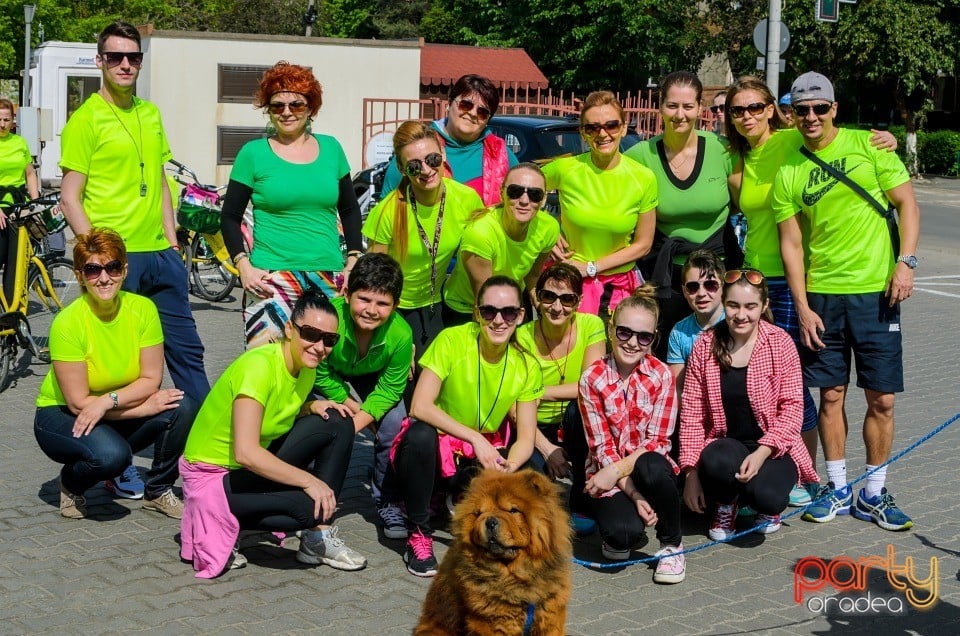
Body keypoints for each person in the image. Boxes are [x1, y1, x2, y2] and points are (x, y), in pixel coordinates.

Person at [723, 76, 898, 507]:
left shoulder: (792, 139)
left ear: (771, 109)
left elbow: (832, 131)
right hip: (755, 281)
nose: (747, 116)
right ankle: (776, 465)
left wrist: (886, 138)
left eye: (755, 107)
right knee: (758, 379)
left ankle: (808, 474)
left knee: (797, 381)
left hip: (796, 280)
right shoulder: (734, 164)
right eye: (737, 110)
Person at [773, 72, 920, 531]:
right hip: (823, 297)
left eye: (820, 108)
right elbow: (791, 245)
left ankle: (873, 493)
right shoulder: (789, 170)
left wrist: (906, 262)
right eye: (802, 110)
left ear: (835, 108)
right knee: (830, 395)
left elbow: (907, 206)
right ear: (792, 115)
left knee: (883, 400)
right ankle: (837, 489)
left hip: (877, 294)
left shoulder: (870, 147)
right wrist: (801, 305)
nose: (811, 117)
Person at [59, 21, 209, 406]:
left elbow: (159, 182)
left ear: (141, 62)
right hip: (116, 259)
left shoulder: (151, 114)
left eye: (133, 57)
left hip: (161, 254)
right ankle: (113, 451)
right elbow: (70, 198)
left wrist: (173, 243)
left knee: (188, 354)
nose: (125, 64)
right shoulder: (86, 119)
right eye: (115, 57)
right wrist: (97, 257)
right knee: (121, 363)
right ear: (100, 61)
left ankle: (206, 448)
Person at [180, 291, 366, 578]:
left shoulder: (306, 369)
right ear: (290, 329)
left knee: (337, 421)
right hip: (213, 476)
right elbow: (246, 452)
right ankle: (229, 522)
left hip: (245, 468)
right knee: (308, 509)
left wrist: (310, 406)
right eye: (311, 334)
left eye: (329, 340)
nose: (319, 346)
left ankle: (316, 540)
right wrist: (309, 481)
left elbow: (276, 409)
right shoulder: (258, 367)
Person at [33, 228, 198, 520]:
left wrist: (108, 401)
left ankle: (158, 490)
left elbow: (150, 379)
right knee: (111, 456)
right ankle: (71, 483)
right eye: (93, 269)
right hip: (62, 414)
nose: (104, 277)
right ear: (80, 274)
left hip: (111, 404)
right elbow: (77, 403)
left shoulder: (143, 309)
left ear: (124, 269)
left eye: (112, 267)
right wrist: (143, 408)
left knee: (183, 406)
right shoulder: (67, 323)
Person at [392, 276, 543, 577]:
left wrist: (509, 465)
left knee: (533, 468)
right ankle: (419, 532)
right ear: (476, 312)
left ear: (521, 315)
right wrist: (474, 438)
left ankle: (471, 512)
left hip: (480, 453)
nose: (498, 320)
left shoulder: (527, 364)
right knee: (419, 435)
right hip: (440, 444)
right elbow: (420, 406)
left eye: (508, 312)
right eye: (489, 311)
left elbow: (526, 437)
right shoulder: (452, 340)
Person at [220, 61, 364, 348]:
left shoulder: (332, 149)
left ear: (310, 107)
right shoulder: (253, 154)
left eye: (296, 105)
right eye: (277, 106)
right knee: (267, 367)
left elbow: (349, 209)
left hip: (328, 277)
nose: (287, 112)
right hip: (271, 279)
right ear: (268, 110)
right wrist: (243, 266)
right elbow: (229, 217)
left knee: (322, 369)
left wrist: (353, 260)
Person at [680, 269, 818, 541]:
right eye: (733, 305)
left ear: (764, 305)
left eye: (750, 306)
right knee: (717, 460)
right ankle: (726, 504)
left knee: (766, 497)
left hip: (773, 448)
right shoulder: (705, 345)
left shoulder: (780, 342)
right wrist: (690, 474)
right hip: (725, 443)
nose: (741, 315)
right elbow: (692, 415)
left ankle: (762, 505)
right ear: (723, 303)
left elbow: (792, 409)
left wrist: (762, 452)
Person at [625, 72, 738, 358]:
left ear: (700, 108)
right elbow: (605, 193)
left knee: (722, 356)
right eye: (672, 105)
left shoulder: (723, 151)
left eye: (688, 106)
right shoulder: (639, 156)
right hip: (665, 278)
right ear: (660, 106)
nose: (680, 114)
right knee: (667, 359)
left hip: (718, 274)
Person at [578, 284, 684, 584]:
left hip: (645, 470)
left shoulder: (662, 375)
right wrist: (633, 494)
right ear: (611, 330)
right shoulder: (592, 379)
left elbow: (659, 442)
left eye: (643, 336)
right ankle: (623, 525)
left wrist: (615, 471)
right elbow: (601, 448)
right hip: (610, 474)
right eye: (624, 332)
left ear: (653, 340)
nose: (632, 343)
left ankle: (672, 544)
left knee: (651, 462)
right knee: (622, 537)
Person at [312, 253, 414, 540]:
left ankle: (387, 500)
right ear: (346, 294)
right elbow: (318, 371)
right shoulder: (329, 319)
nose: (371, 310)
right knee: (323, 420)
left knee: (394, 425)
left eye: (382, 303)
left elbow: (391, 389)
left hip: (374, 372)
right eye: (364, 299)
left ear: (395, 306)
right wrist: (352, 406)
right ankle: (309, 491)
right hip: (329, 372)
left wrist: (358, 423)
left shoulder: (401, 334)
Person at [363, 121, 484, 359]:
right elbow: (374, 281)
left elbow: (489, 239)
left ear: (443, 154)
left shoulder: (467, 198)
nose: (427, 171)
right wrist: (392, 333)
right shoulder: (388, 211)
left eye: (432, 160)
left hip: (440, 302)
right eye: (414, 166)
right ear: (401, 168)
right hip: (397, 308)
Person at [544, 90, 657, 320]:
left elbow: (643, 245)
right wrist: (546, 226)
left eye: (611, 125)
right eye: (592, 128)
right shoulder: (566, 169)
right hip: (566, 286)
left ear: (624, 128)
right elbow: (515, 188)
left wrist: (592, 267)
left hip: (615, 290)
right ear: (583, 133)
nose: (602, 134)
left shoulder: (643, 178)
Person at [515, 263, 606, 533]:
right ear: (537, 298)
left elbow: (591, 385)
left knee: (579, 410)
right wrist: (547, 449)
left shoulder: (591, 325)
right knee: (535, 495)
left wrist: (540, 392)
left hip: (576, 423)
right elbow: (513, 402)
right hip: (533, 427)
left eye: (567, 299)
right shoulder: (521, 336)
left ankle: (581, 493)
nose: (557, 306)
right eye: (548, 296)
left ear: (578, 302)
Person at [443, 162, 559, 324]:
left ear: (544, 198)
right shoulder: (480, 233)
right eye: (515, 192)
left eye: (535, 194)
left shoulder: (548, 227)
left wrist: (542, 304)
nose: (524, 200)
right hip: (468, 307)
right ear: (502, 192)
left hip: (512, 302)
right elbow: (484, 302)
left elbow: (533, 275)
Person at [381, 74, 518, 205]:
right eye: (466, 105)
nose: (472, 113)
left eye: (482, 112)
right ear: (450, 103)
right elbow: (387, 208)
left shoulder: (500, 154)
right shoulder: (418, 146)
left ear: (488, 119)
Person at [666, 249, 725, 391]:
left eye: (710, 285)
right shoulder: (679, 332)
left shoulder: (737, 323)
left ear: (723, 286)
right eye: (692, 287)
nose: (701, 294)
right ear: (684, 291)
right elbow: (678, 388)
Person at [0, 97, 41, 302]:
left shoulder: (20, 143)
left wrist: (35, 203)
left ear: (13, 120)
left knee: (15, 261)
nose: (2, 124)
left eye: (6, 120)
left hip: (17, 207)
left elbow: (30, 174)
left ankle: (11, 308)